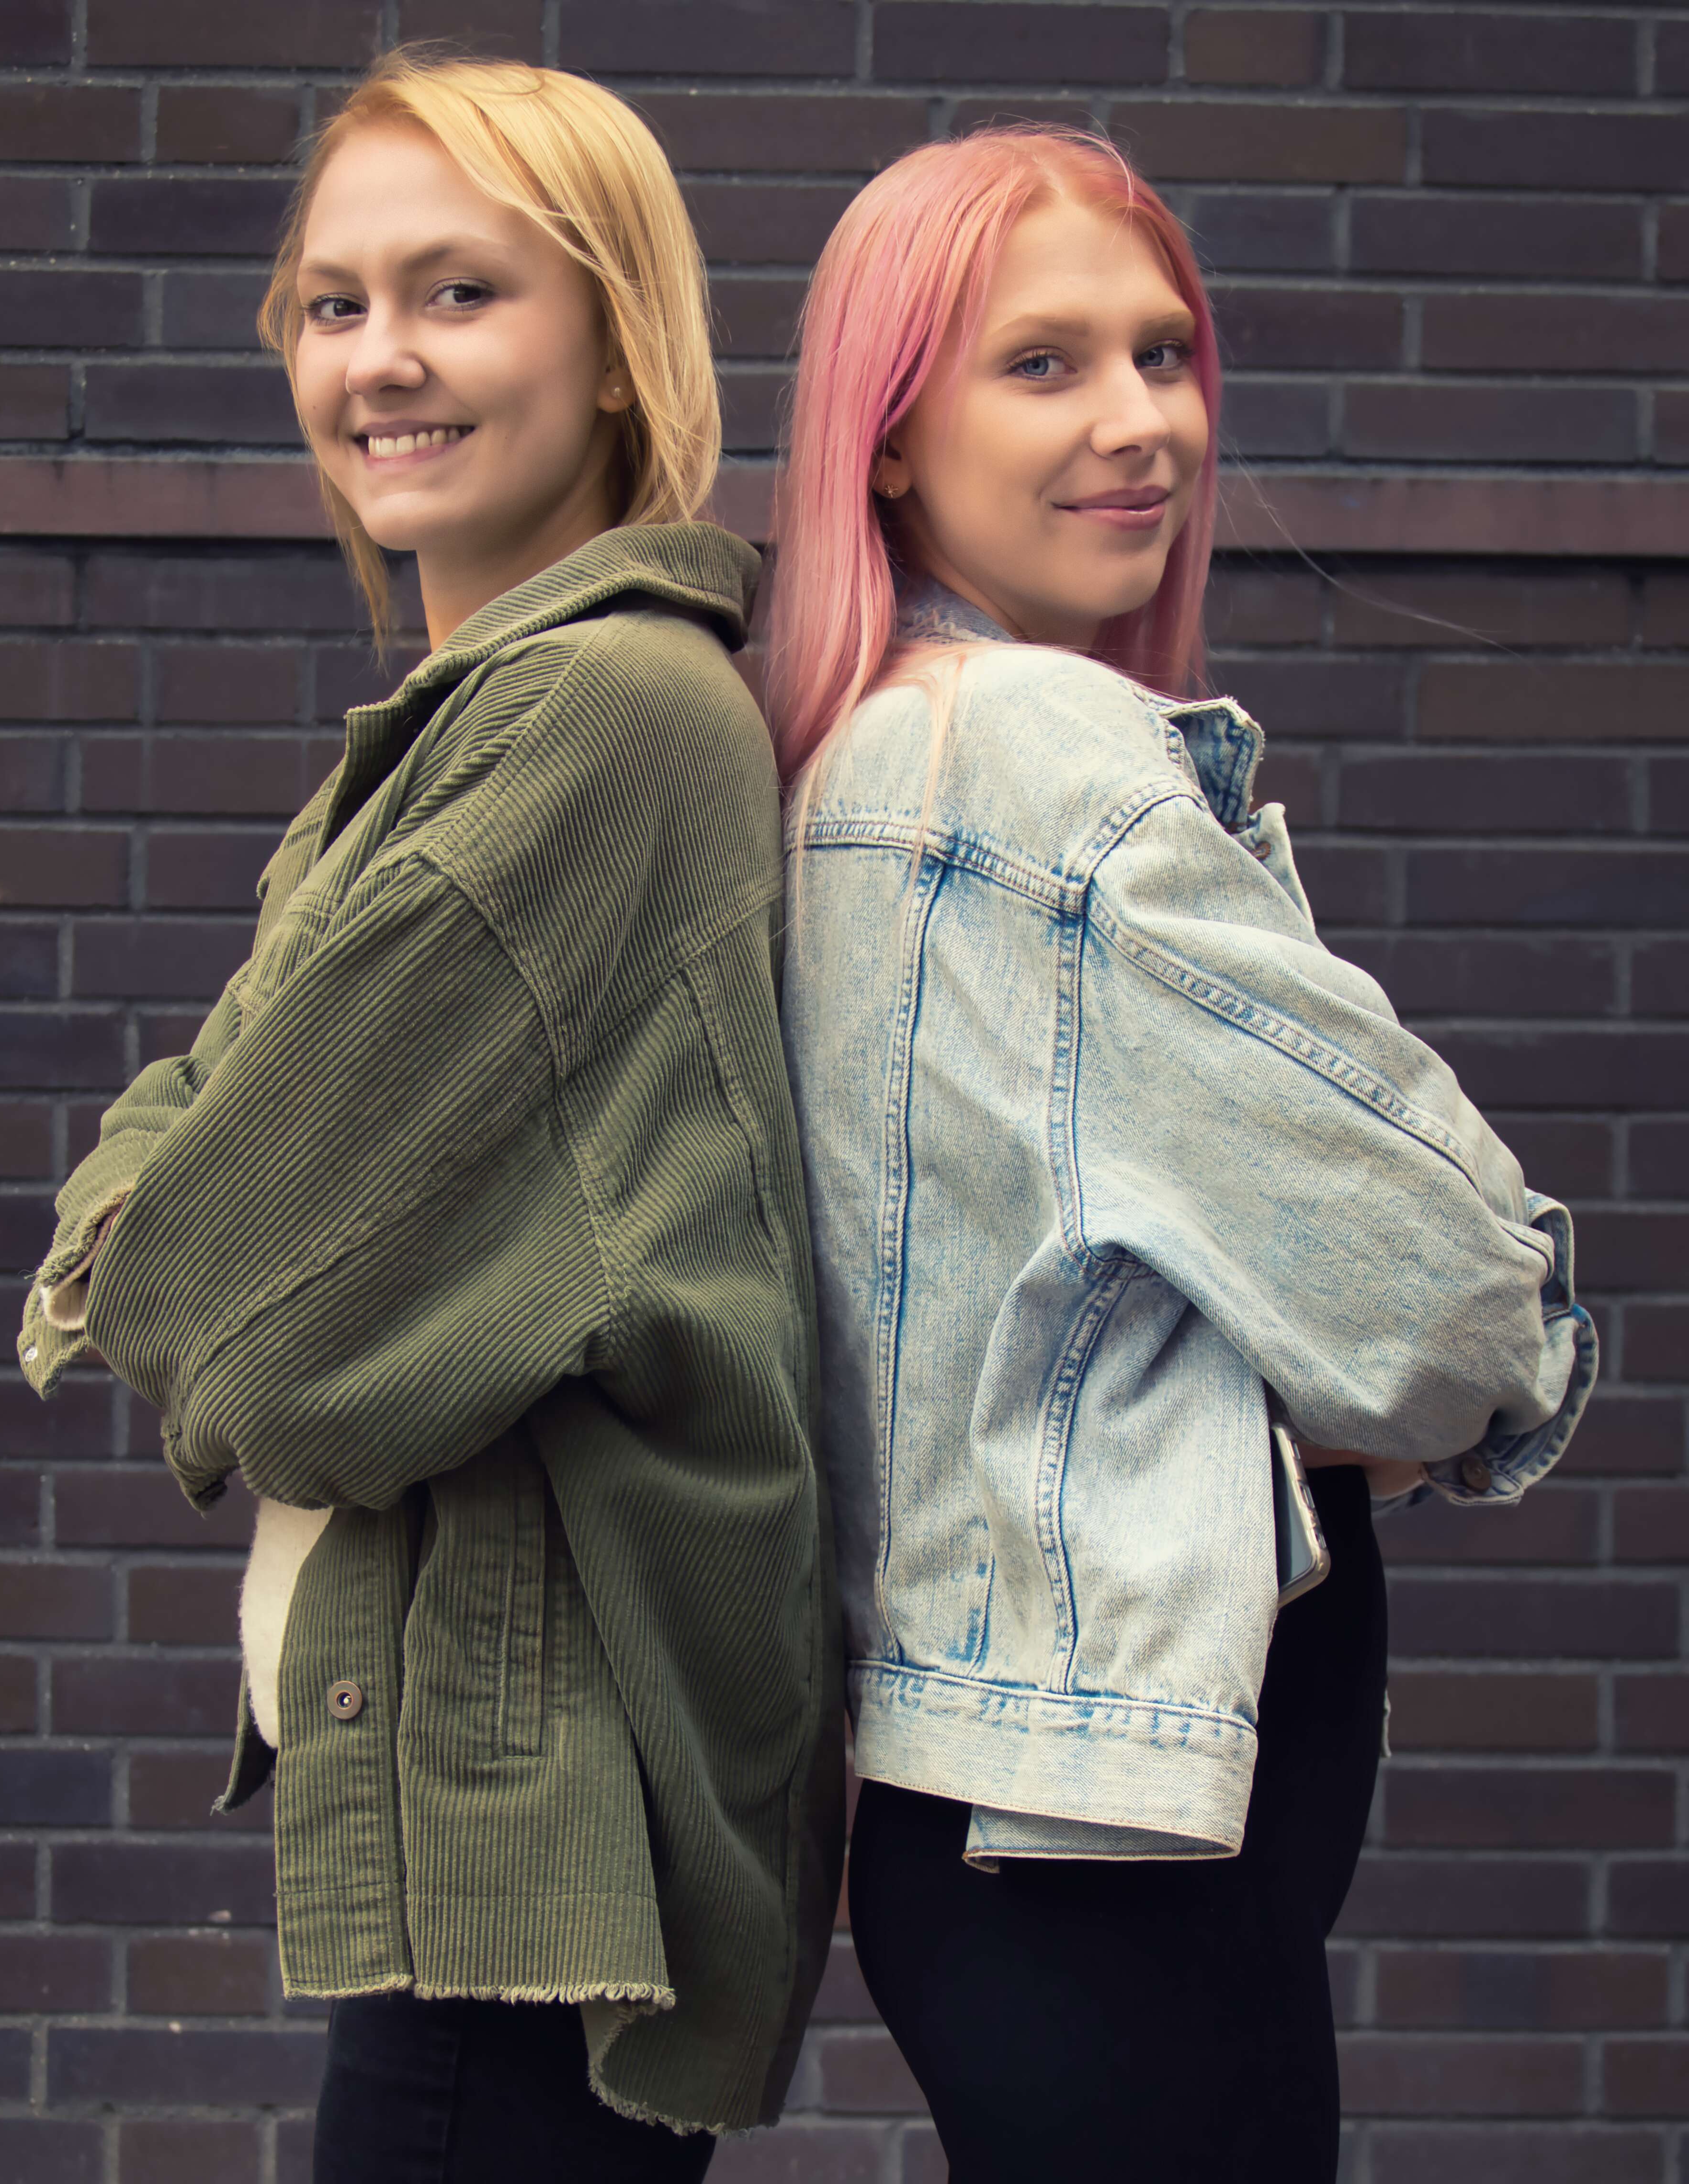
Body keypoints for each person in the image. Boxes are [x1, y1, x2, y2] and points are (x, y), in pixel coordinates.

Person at [18, 50, 843, 2183]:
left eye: (460, 294)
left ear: (615, 342)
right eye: (334, 300)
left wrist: (161, 1242)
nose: (379, 358)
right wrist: (182, 1188)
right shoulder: (463, 723)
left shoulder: (592, 720)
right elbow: (196, 1108)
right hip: (480, 1799)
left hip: (531, 1812)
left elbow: (264, 1327)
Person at [768, 127, 1595, 2183]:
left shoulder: (861, 753)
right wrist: (1365, 1407)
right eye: (1040, 366)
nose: (1141, 422)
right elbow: (1453, 1302)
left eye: (1165, 353)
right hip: (1111, 1865)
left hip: (1008, 1831)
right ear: (886, 438)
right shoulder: (1046, 774)